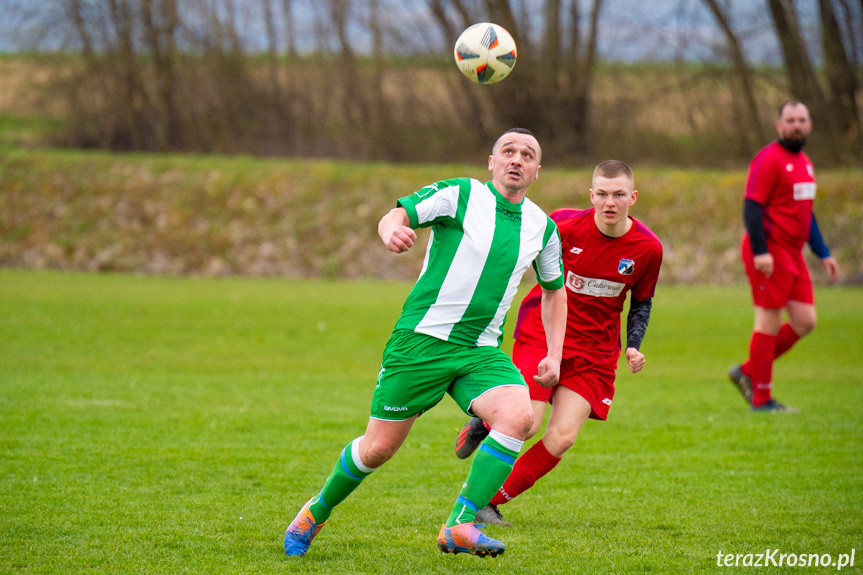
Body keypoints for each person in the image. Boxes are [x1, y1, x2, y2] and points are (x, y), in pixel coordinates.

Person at [283, 128, 567, 558]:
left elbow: (554, 290)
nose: (516, 159)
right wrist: (389, 231)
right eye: (507, 152)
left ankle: (460, 524)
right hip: (421, 342)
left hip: (480, 351)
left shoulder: (542, 228)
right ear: (491, 162)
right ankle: (315, 512)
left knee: (519, 415)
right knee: (377, 449)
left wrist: (554, 352)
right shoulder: (460, 194)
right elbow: (396, 214)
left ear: (537, 171)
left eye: (527, 155)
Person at [454, 160, 662, 526]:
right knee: (528, 422)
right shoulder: (562, 226)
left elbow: (641, 301)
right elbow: (514, 260)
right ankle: (487, 424)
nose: (609, 203)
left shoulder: (648, 248)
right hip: (543, 329)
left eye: (618, 195)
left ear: (633, 197)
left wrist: (633, 344)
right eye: (602, 194)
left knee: (563, 436)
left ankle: (487, 501)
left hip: (595, 351)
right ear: (591, 195)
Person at [728, 101, 839, 413]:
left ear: (810, 124)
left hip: (793, 253)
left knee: (805, 321)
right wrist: (761, 251)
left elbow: (806, 212)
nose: (796, 126)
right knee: (769, 322)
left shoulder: (805, 162)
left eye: (802, 120)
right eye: (790, 120)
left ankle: (748, 370)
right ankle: (762, 399)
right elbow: (751, 206)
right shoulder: (768, 160)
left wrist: (823, 252)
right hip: (769, 250)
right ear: (778, 125)